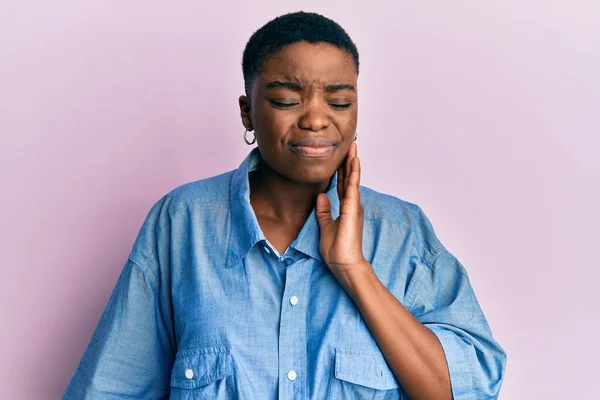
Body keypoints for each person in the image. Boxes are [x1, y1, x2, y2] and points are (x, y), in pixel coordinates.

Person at [63, 11, 506, 400]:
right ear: (247, 112)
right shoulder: (182, 224)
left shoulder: (401, 231)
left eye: (339, 101)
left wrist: (353, 268)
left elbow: (465, 390)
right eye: (286, 100)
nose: (316, 119)